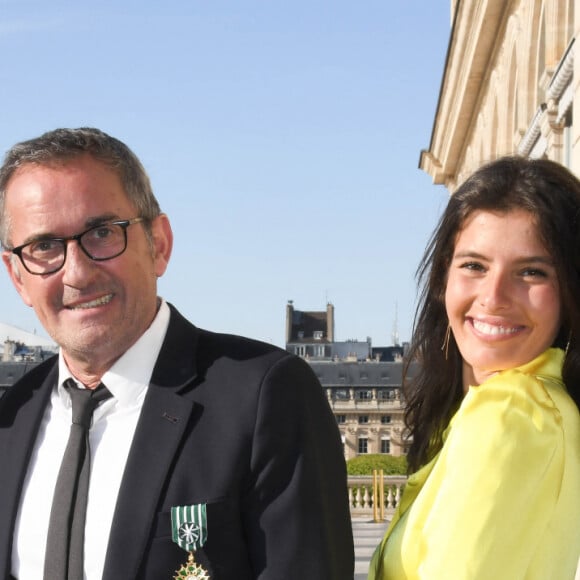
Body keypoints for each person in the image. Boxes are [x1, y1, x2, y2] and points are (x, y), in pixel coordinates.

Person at [0, 127, 354, 580]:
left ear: (159, 245)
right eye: (45, 246)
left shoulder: (265, 396)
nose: (78, 272)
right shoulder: (13, 413)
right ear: (17, 277)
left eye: (103, 232)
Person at [369, 156, 580, 579]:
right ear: (443, 277)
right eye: (474, 266)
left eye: (532, 272)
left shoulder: (511, 413)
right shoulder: (543, 406)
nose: (494, 296)